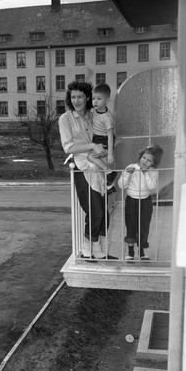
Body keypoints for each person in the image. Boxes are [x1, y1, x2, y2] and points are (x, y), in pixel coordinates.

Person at [58, 80, 115, 260]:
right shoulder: (66, 119)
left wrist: (106, 148)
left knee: (103, 213)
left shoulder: (93, 115)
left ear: (88, 97)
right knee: (95, 211)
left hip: (99, 168)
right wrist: (92, 145)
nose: (76, 100)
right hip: (82, 169)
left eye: (80, 96)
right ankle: (86, 250)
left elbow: (108, 132)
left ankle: (99, 250)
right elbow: (68, 147)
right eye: (73, 97)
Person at [117, 144, 162, 261]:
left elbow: (152, 187)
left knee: (144, 226)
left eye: (149, 161)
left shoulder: (153, 171)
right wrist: (128, 174)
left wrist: (146, 173)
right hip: (131, 200)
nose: (145, 161)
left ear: (153, 163)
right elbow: (121, 185)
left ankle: (142, 251)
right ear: (140, 156)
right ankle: (130, 252)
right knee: (131, 225)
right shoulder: (131, 167)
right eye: (144, 158)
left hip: (145, 201)